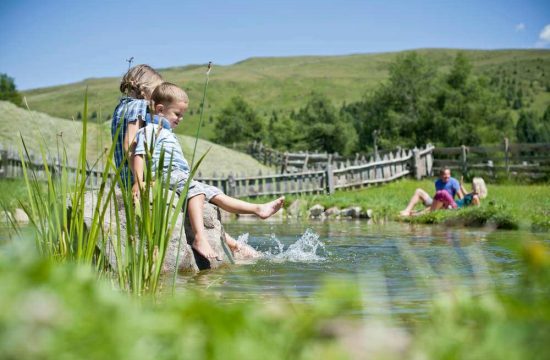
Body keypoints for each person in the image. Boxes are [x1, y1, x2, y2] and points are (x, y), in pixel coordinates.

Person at [132, 82, 284, 260]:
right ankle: (199, 238)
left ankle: (258, 209)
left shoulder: (167, 133)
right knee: (197, 192)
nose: (180, 119)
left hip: (181, 176)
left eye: (182, 115)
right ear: (159, 109)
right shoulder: (149, 131)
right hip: (166, 174)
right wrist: (138, 180)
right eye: (177, 114)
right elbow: (139, 154)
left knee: (215, 193)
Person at [111, 64, 163, 187]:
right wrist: (139, 180)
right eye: (156, 92)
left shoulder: (120, 107)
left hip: (124, 177)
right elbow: (130, 142)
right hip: (136, 178)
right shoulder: (139, 105)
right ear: (144, 88)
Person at [416, 176, 487, 214]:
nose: (471, 185)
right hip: (455, 204)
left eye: (473, 184)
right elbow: (465, 194)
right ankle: (418, 213)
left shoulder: (475, 197)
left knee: (439, 204)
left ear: (477, 186)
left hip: (456, 207)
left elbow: (478, 209)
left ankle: (418, 214)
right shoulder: (472, 194)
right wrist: (461, 185)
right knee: (438, 205)